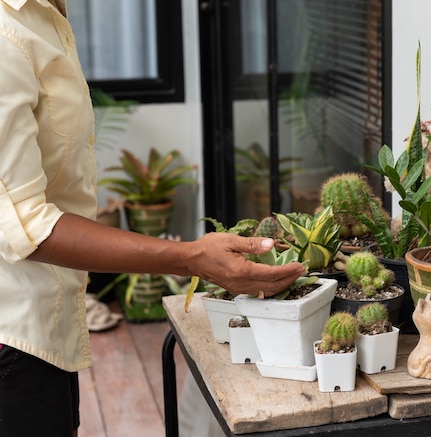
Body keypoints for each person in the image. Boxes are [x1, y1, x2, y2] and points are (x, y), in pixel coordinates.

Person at [0, 1, 305, 435]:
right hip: (12, 338)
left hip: (47, 325)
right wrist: (190, 257)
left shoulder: (46, 13)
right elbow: (27, 225)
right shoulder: (6, 34)